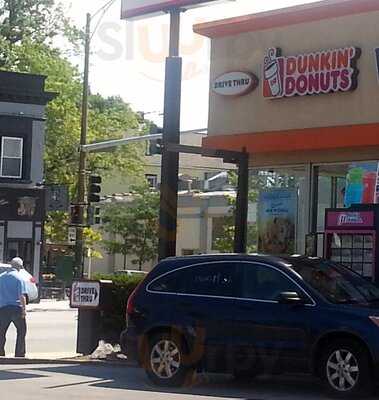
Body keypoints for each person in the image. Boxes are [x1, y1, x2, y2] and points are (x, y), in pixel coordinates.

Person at [0, 257, 27, 357]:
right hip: (16, 308)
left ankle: (0, 352)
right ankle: (19, 353)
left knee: (1, 332)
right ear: (20, 267)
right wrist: (24, 310)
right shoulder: (19, 278)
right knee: (21, 331)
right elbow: (22, 296)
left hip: (3, 308)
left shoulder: (1, 277)